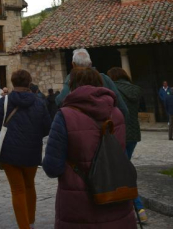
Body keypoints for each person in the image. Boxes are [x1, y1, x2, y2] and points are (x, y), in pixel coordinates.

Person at [43, 67, 136, 229]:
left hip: (79, 205)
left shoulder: (64, 116)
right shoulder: (117, 114)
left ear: (72, 86)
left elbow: (52, 167)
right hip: (115, 195)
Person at [0, 69, 51, 229]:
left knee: (17, 190)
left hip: (10, 152)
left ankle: (24, 226)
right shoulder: (39, 102)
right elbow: (47, 127)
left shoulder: (4, 101)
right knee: (30, 185)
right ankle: (30, 222)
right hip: (32, 150)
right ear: (29, 82)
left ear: (13, 82)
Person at [107, 67, 147, 224]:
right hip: (134, 133)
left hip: (120, 132)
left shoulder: (113, 88)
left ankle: (138, 208)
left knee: (123, 171)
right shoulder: (135, 90)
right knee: (124, 167)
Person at [56, 48, 129, 120]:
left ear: (73, 64)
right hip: (106, 127)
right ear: (90, 63)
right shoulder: (105, 79)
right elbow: (122, 108)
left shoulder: (71, 79)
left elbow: (60, 101)